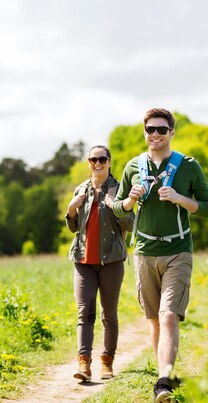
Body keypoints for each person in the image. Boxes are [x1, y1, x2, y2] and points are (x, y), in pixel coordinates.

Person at [112, 108, 208, 402]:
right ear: (144, 132)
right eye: (150, 130)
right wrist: (130, 200)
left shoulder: (188, 166)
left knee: (169, 315)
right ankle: (166, 373)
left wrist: (180, 198)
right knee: (155, 321)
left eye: (161, 129)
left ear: (171, 132)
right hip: (145, 251)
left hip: (178, 250)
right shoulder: (133, 166)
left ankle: (163, 383)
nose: (155, 135)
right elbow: (117, 207)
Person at [65, 145, 134, 382]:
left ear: (109, 161)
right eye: (93, 159)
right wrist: (71, 209)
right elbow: (74, 227)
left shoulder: (119, 189)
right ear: (88, 162)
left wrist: (117, 206)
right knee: (84, 312)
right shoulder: (80, 189)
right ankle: (84, 364)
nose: (97, 163)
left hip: (111, 260)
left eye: (102, 158)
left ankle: (107, 362)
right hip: (83, 260)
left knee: (109, 314)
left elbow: (132, 224)